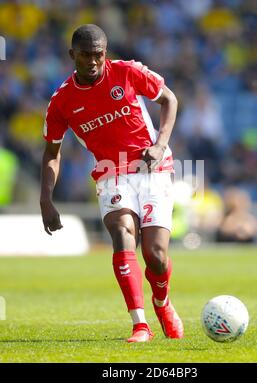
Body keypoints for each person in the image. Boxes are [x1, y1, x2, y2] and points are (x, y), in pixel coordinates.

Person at [40, 24, 183, 343]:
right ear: (71, 55)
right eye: (85, 56)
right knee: (122, 234)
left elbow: (169, 99)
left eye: (99, 55)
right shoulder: (62, 101)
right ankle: (140, 324)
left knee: (156, 256)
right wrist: (46, 199)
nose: (93, 62)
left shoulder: (128, 72)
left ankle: (162, 302)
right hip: (110, 173)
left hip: (152, 168)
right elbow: (52, 152)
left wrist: (159, 145)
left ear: (106, 53)